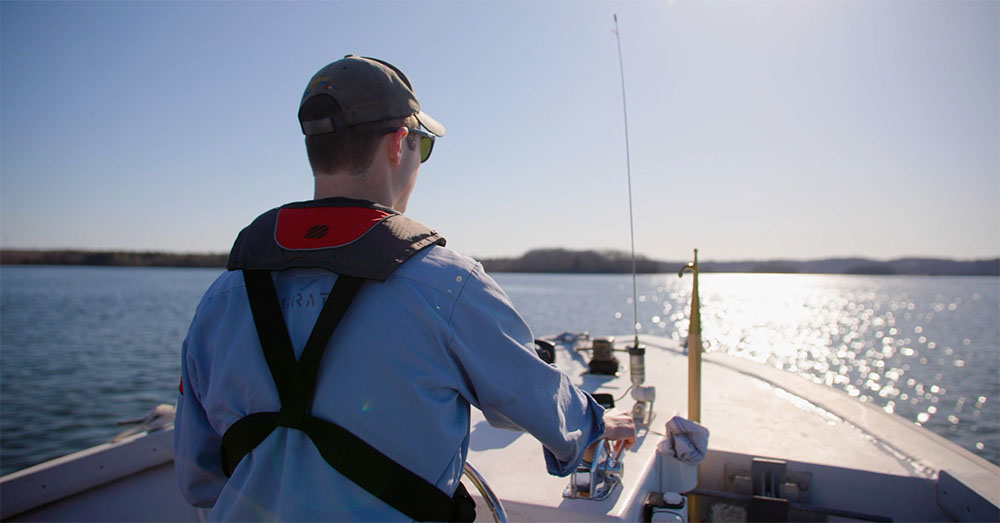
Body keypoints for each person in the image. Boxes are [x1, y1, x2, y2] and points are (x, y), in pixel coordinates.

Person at [173, 54, 636, 521]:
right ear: (398, 144)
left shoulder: (221, 298)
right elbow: (537, 401)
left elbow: (200, 477)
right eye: (423, 146)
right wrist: (597, 424)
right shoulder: (448, 285)